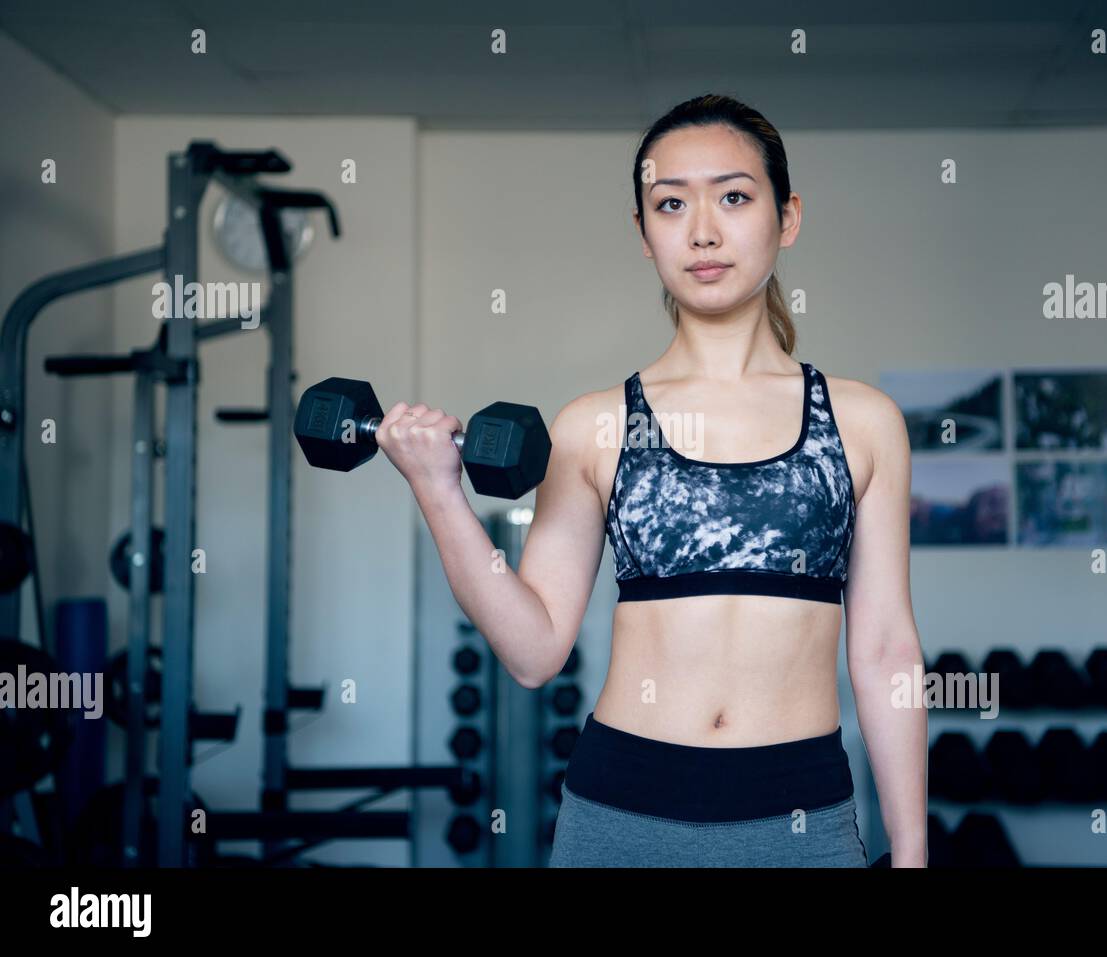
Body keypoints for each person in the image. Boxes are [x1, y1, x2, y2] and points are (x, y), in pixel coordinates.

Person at [376, 93, 927, 867]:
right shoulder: (593, 425)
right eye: (671, 204)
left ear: (788, 216)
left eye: (734, 196)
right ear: (644, 232)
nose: (703, 230)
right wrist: (438, 490)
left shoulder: (864, 422)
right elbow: (534, 651)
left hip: (800, 817)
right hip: (621, 814)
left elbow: (885, 650)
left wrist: (911, 851)